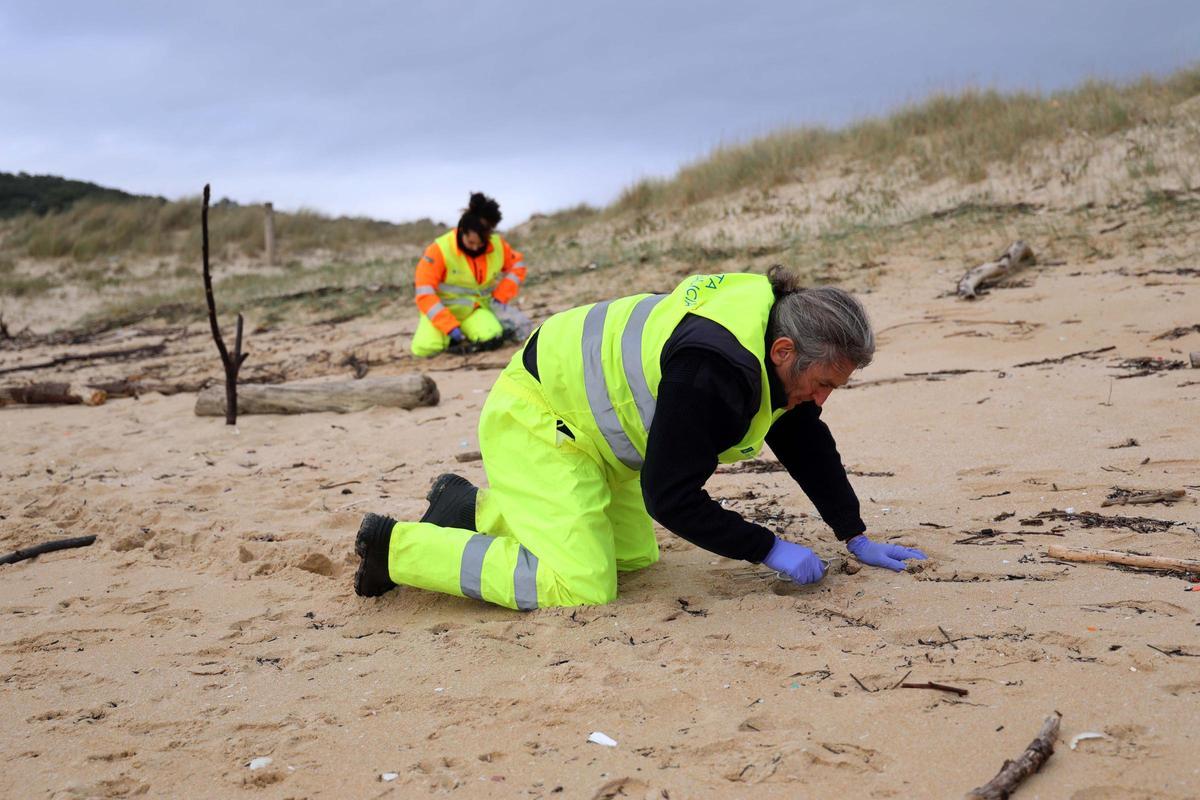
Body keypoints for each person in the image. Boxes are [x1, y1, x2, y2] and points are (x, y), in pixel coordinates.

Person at [356, 268, 925, 609]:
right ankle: (398, 550)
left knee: (633, 556)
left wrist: (852, 533)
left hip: (595, 439)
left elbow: (804, 438)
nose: (822, 398)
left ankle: (468, 507)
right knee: (581, 584)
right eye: (823, 383)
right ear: (785, 353)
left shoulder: (776, 342)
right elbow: (670, 496)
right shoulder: (714, 369)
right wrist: (768, 548)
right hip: (538, 419)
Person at [410, 192, 528, 357]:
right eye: (471, 242)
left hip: (474, 311)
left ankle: (466, 337)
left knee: (493, 336)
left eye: (480, 243)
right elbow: (424, 293)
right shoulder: (439, 250)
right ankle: (452, 339)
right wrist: (450, 326)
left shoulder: (497, 245)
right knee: (425, 348)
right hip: (442, 313)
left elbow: (518, 266)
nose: (475, 248)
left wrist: (500, 296)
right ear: (461, 231)